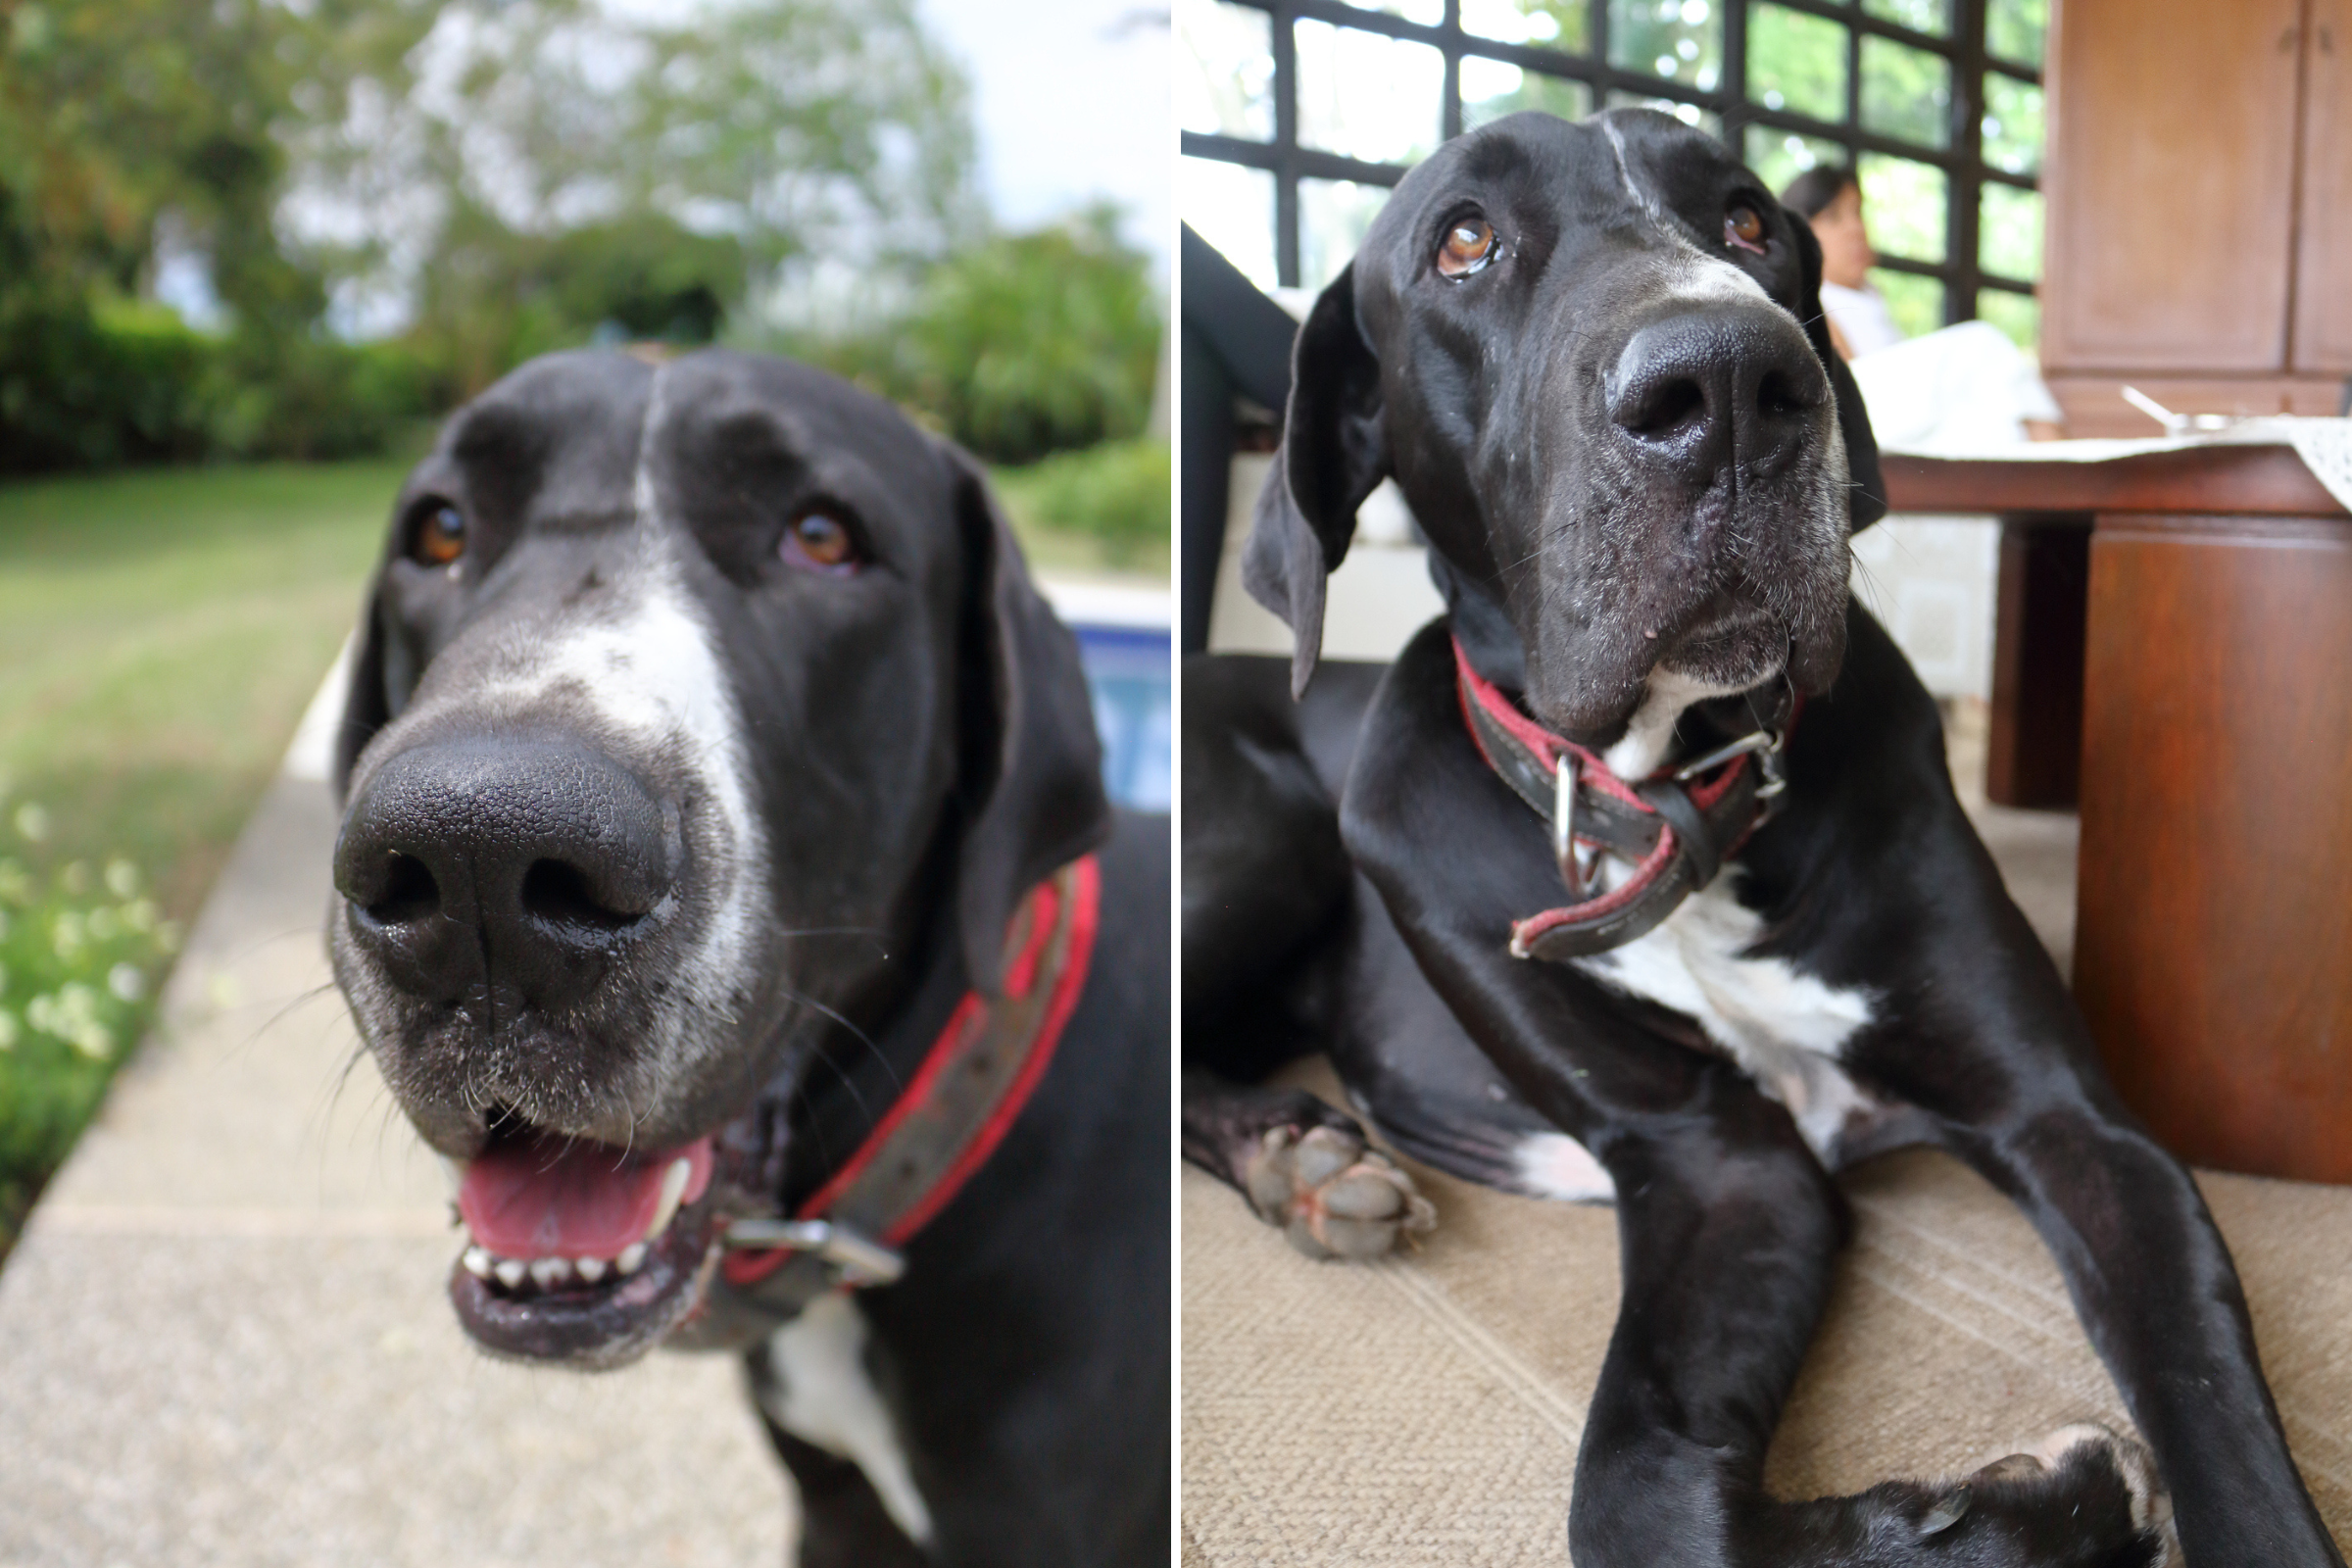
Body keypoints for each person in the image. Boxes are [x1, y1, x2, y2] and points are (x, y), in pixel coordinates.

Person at [1779, 165, 2065, 449]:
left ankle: (2052, 472)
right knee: (1983, 343)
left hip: (1905, 413)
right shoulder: (1810, 301)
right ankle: (2062, 465)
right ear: (1801, 234)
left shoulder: (1868, 297)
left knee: (1991, 420)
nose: (1855, 227)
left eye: (1857, 212)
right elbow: (1843, 392)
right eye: (1832, 217)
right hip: (1864, 412)